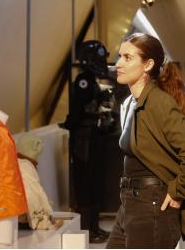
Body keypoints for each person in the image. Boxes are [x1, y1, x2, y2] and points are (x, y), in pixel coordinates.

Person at [107, 33, 185, 248]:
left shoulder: (159, 102)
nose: (118, 63)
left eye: (128, 58)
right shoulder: (130, 103)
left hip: (152, 203)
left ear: (148, 65)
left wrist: (177, 192)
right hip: (130, 201)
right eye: (119, 56)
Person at [63, 40, 115, 243]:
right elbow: (79, 111)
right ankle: (87, 229)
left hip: (91, 139)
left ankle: (93, 228)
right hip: (84, 141)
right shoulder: (84, 80)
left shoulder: (89, 79)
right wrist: (71, 124)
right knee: (86, 183)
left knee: (93, 183)